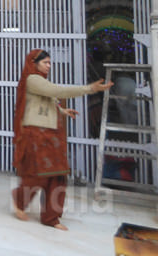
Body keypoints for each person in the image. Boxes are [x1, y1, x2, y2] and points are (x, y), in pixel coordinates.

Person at [12, 49, 112, 230]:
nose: (49, 66)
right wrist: (90, 88)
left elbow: (49, 100)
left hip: (51, 135)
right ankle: (20, 202)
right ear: (34, 63)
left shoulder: (40, 80)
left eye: (50, 63)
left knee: (58, 176)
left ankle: (52, 218)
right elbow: (56, 91)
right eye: (45, 63)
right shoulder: (32, 79)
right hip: (36, 134)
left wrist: (62, 111)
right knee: (37, 175)